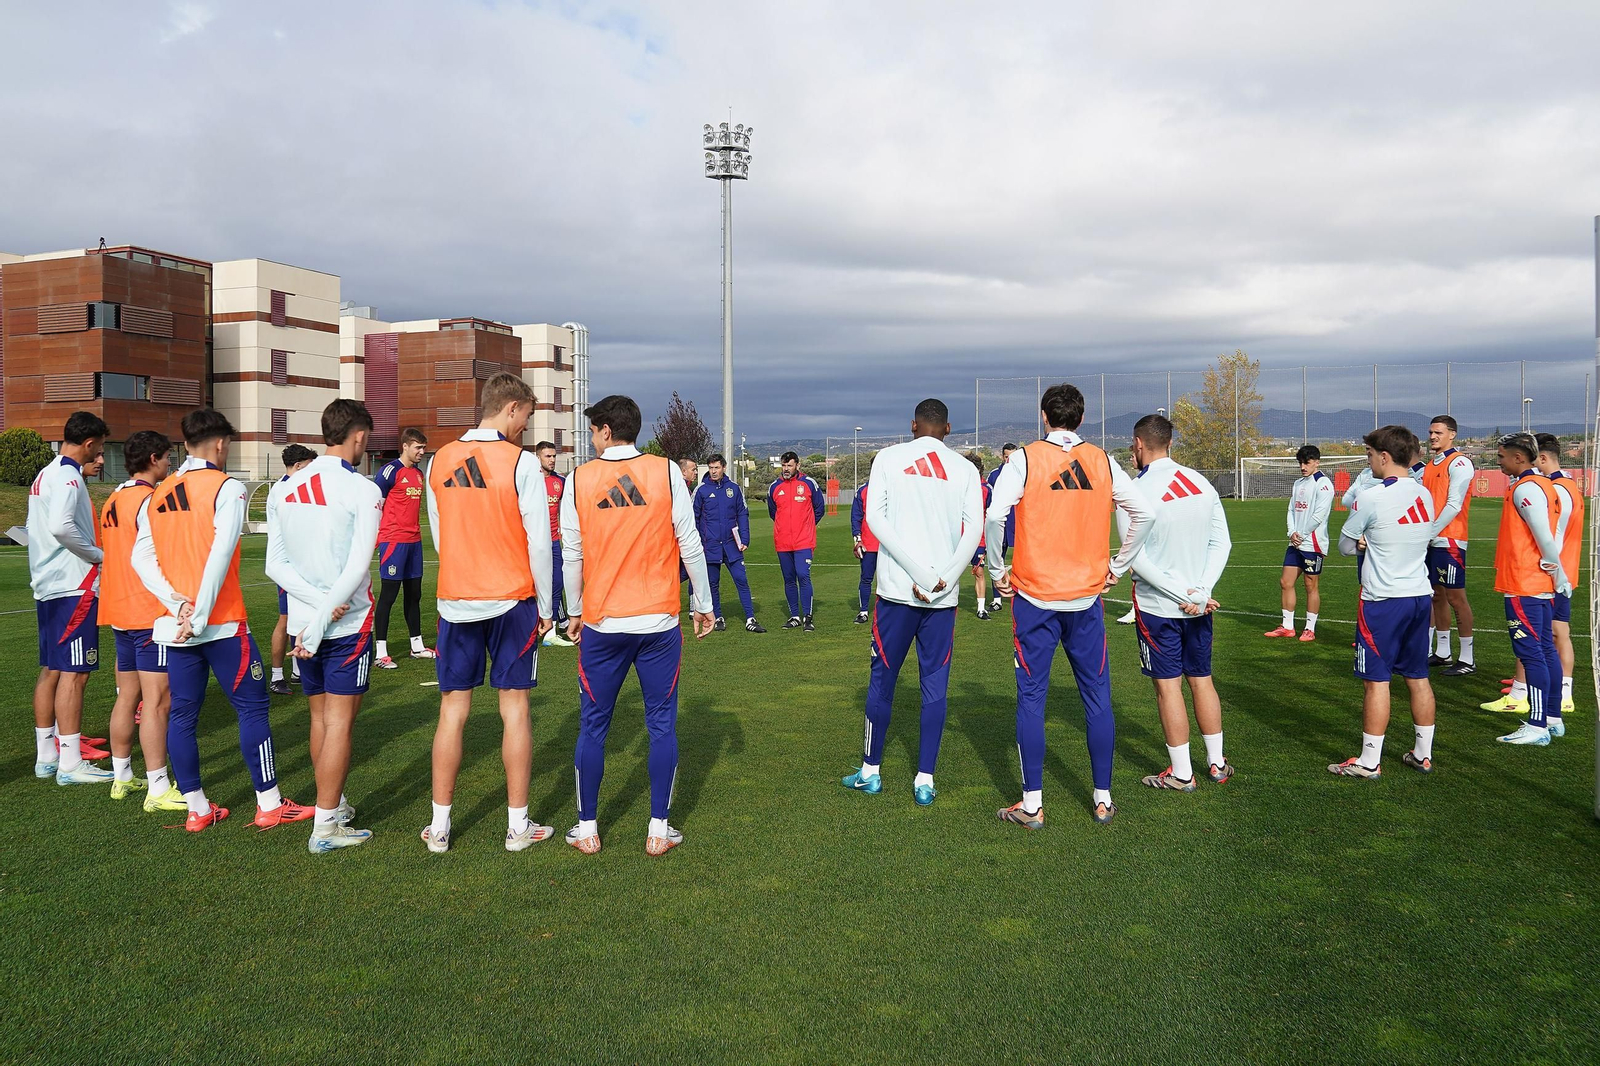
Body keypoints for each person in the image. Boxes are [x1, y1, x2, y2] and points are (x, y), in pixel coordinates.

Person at [133, 409, 311, 832]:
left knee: (182, 717)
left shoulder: (158, 491)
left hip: (178, 626)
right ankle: (269, 803)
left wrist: (176, 604)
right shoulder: (227, 487)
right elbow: (219, 553)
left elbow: (140, 557)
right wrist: (198, 612)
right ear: (219, 444)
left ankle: (197, 809)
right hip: (222, 625)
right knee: (252, 710)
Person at [987, 383, 1153, 826]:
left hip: (1035, 599)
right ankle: (1102, 799)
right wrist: (1119, 565)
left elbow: (992, 515)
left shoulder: (1023, 458)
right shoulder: (1102, 460)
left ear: (1045, 416)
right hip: (1084, 600)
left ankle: (1033, 804)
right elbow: (1145, 514)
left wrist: (997, 570)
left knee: (1032, 699)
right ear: (1080, 419)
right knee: (1097, 698)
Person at [561, 395, 715, 856]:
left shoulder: (578, 479)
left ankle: (587, 828)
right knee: (661, 725)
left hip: (603, 624)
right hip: (659, 621)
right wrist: (703, 603)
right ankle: (657, 828)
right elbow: (689, 540)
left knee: (593, 726)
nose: (590, 440)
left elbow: (572, 553)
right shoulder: (666, 471)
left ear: (607, 430)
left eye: (592, 431)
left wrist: (572, 610)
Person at [422, 373, 555, 853]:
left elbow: (440, 533)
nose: (525, 427)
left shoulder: (437, 460)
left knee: (452, 711)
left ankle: (439, 827)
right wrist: (547, 606)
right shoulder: (519, 462)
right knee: (514, 709)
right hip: (511, 598)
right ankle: (517, 827)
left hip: (456, 596)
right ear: (513, 408)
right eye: (526, 416)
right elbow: (540, 541)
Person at [840, 399, 982, 806]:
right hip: (941, 597)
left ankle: (871, 771)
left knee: (882, 681)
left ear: (913, 425)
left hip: (897, 594)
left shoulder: (888, 457)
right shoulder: (966, 468)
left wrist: (918, 574)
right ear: (948, 429)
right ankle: (924, 780)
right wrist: (942, 579)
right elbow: (974, 532)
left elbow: (875, 521)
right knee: (934, 687)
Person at [266, 400, 381, 852]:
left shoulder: (286, 486)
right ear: (359, 436)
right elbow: (358, 564)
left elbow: (276, 565)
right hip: (346, 622)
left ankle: (332, 804)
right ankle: (326, 826)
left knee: (319, 717)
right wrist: (329, 607)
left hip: (303, 621)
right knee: (339, 723)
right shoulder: (363, 488)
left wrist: (314, 609)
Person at [1119, 414, 1234, 791]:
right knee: (1202, 681)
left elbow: (1135, 557)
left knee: (1168, 687)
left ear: (1138, 444)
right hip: (1199, 606)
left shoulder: (1133, 492)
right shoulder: (1201, 482)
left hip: (1159, 608)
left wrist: (1184, 595)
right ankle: (1217, 764)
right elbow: (1223, 543)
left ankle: (1182, 773)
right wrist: (1201, 591)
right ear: (1170, 442)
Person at [1329, 426, 1438, 777]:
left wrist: (1363, 541)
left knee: (1376, 681)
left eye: (1370, 455)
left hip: (1383, 600)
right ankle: (1423, 754)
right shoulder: (1424, 494)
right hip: (1420, 596)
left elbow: (1345, 546)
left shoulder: (1373, 497)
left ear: (1385, 457)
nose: (1369, 461)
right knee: (1418, 677)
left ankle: (1369, 761)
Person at [98, 430, 184, 809]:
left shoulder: (113, 499)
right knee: (157, 701)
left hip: (118, 608)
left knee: (128, 696)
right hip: (148, 610)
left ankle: (121, 777)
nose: (169, 464)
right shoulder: (150, 501)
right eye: (166, 457)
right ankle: (158, 787)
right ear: (153, 458)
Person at [29, 411, 113, 785]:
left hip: (49, 584)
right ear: (90, 443)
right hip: (72, 586)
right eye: (100, 451)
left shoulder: (46, 473)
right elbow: (61, 526)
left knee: (53, 669)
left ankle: (47, 755)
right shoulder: (67, 476)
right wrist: (98, 555)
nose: (101, 460)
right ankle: (70, 763)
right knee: (75, 674)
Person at [1491, 434, 1583, 719]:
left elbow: (1546, 539)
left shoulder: (1527, 488)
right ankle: (1552, 717)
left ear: (1519, 457)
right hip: (1537, 581)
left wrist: (1558, 575)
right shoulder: (1546, 485)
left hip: (1525, 582)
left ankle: (1537, 723)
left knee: (1533, 655)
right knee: (1545, 650)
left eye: (1501, 456)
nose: (1498, 462)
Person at [373, 428, 436, 668]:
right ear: (406, 446)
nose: (422, 451)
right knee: (388, 596)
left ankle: (417, 646)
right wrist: (376, 538)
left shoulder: (418, 474)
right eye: (418, 447)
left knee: (414, 595)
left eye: (423, 447)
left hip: (414, 542)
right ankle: (380, 652)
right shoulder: (390, 471)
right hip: (393, 542)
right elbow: (375, 505)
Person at [1421, 416, 1476, 674]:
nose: (1433, 436)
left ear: (1452, 434)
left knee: (1456, 597)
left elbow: (1454, 504)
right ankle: (1442, 652)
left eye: (1438, 432)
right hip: (1433, 539)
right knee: (1437, 595)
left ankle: (1467, 659)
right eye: (1431, 432)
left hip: (1450, 539)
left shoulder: (1460, 462)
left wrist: (1430, 531)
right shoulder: (1431, 465)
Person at [1265, 444, 1334, 641]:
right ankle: (1287, 626)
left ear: (1317, 462)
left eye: (1307, 462)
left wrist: (1301, 534)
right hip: (1295, 542)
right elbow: (1291, 510)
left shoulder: (1323, 484)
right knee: (1285, 582)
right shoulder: (1298, 484)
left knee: (1310, 585)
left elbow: (1319, 515)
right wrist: (1291, 532)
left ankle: (1309, 629)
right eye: (1301, 463)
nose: (1303, 467)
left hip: (1313, 544)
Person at [267, 444, 316, 695]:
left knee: (298, 617)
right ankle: (277, 676)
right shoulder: (284, 490)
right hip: (287, 565)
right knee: (286, 619)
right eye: (308, 465)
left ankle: (298, 670)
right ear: (298, 466)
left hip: (296, 563)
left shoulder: (287, 487)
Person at [694, 453, 763, 632]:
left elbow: (742, 513)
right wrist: (698, 543)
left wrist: (745, 539)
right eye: (711, 468)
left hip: (732, 545)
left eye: (716, 467)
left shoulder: (734, 488)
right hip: (710, 546)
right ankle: (718, 618)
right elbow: (693, 518)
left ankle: (750, 619)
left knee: (741, 580)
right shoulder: (701, 490)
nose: (713, 471)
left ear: (724, 468)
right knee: (713, 584)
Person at [769, 451, 823, 630]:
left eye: (789, 465)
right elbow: (773, 512)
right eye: (783, 466)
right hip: (783, 542)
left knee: (803, 575)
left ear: (797, 465)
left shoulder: (808, 484)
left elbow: (819, 509)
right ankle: (794, 616)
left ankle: (808, 616)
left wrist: (806, 526)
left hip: (804, 541)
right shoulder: (774, 487)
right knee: (789, 579)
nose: (786, 469)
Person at [536, 441, 574, 646]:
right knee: (533, 586)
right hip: (534, 542)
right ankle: (541, 627)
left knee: (558, 582)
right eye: (547, 456)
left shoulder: (560, 481)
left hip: (553, 540)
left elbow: (565, 511)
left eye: (553, 456)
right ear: (538, 457)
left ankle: (552, 628)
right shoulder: (530, 481)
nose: (551, 460)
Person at [986, 442, 1018, 614]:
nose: (1009, 460)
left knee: (1023, 561)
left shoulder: (1023, 473)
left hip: (1019, 524)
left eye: (1012, 456)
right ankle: (997, 599)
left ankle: (1024, 595)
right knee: (997, 558)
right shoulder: (995, 475)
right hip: (1000, 524)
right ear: (1002, 456)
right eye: (1007, 456)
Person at [966, 453, 994, 619]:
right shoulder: (956, 486)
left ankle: (981, 608)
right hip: (957, 536)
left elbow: (992, 515)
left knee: (979, 572)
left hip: (978, 537)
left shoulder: (985, 489)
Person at [849, 478, 878, 624]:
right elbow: (856, 517)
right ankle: (863, 611)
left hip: (891, 546)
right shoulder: (863, 490)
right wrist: (857, 539)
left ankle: (890, 612)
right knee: (866, 578)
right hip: (869, 544)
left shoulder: (896, 488)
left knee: (891, 580)